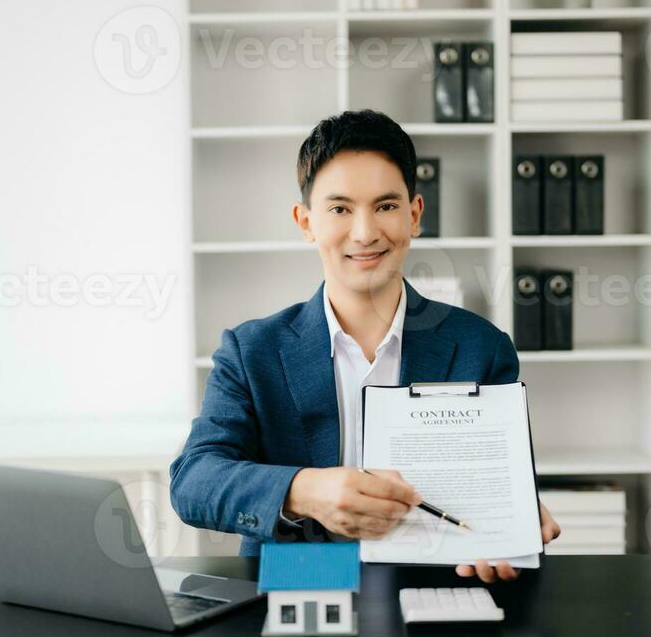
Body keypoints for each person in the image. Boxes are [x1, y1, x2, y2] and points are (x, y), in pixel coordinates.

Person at [170, 110, 560, 582]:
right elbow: (193, 482)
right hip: (297, 578)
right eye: (339, 209)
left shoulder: (482, 346)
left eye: (386, 206)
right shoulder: (251, 350)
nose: (365, 232)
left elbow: (493, 477)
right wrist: (304, 490)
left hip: (432, 580)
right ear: (306, 222)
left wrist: (509, 515)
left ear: (415, 215)